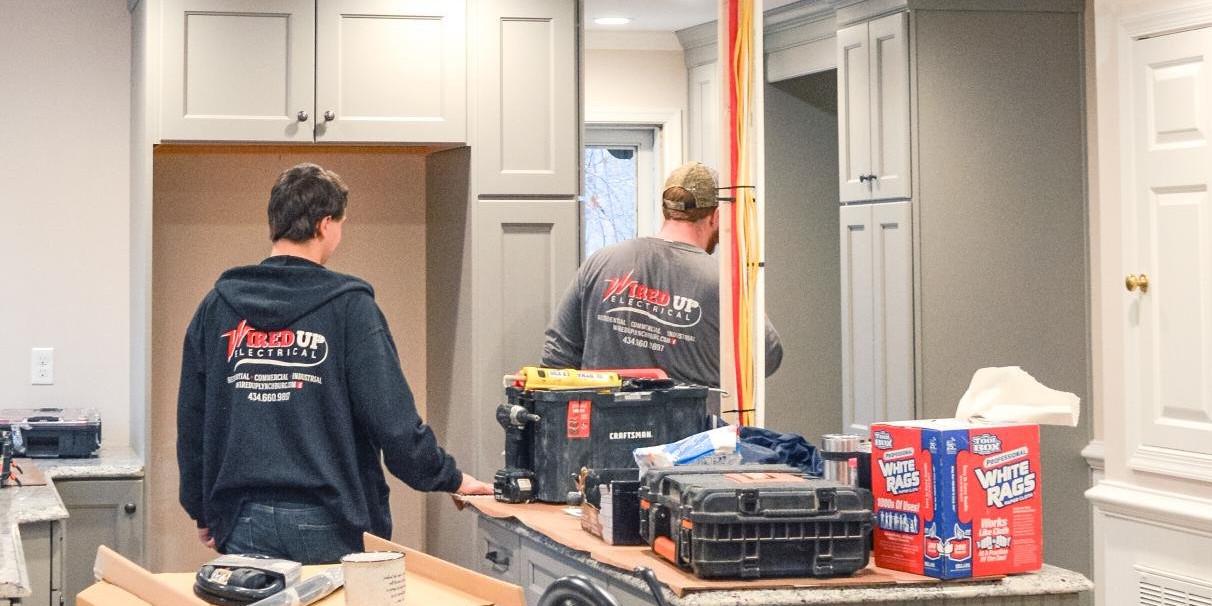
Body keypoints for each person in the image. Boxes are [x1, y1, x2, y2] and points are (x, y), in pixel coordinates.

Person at [176, 161, 490, 562]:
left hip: (242, 519)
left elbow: (192, 420)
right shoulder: (349, 308)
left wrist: (201, 507)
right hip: (331, 519)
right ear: (325, 225)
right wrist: (451, 478)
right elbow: (392, 422)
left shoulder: (217, 306)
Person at [543, 159, 783, 390]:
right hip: (692, 430)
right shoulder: (723, 282)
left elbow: (556, 359)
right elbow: (766, 357)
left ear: (666, 209)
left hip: (602, 427)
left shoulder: (601, 262)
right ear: (717, 215)